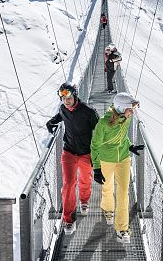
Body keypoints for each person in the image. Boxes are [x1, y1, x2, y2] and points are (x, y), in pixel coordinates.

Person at [46, 83, 99, 235]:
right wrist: (51, 122)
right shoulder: (63, 109)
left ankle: (84, 200)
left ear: (74, 95)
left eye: (68, 97)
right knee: (68, 184)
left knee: (85, 180)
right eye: (63, 98)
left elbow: (100, 130)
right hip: (69, 152)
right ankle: (69, 219)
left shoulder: (89, 112)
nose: (66, 101)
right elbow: (60, 116)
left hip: (86, 153)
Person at [91, 92, 144, 244]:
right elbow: (95, 145)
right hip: (106, 159)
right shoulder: (103, 123)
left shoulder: (127, 117)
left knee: (123, 193)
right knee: (107, 188)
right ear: (121, 108)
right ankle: (108, 210)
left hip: (123, 159)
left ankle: (122, 229)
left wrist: (130, 146)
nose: (132, 111)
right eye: (130, 108)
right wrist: (96, 168)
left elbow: (123, 136)